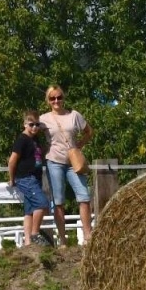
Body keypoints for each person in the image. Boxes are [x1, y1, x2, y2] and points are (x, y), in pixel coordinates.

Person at [40, 85, 93, 244]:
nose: (56, 101)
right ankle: (62, 240)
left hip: (74, 163)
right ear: (48, 101)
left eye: (59, 97)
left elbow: (89, 132)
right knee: (59, 201)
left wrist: (78, 146)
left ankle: (88, 236)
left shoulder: (74, 115)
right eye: (52, 98)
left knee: (84, 196)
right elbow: (31, 133)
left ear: (63, 98)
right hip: (54, 161)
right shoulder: (43, 119)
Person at [8, 111, 53, 247]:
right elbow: (12, 161)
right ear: (25, 124)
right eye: (31, 124)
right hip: (26, 177)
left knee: (29, 211)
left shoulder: (35, 140)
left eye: (37, 125)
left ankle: (27, 242)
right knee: (42, 204)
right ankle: (34, 234)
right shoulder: (22, 139)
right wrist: (12, 178)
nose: (34, 127)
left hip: (35, 177)